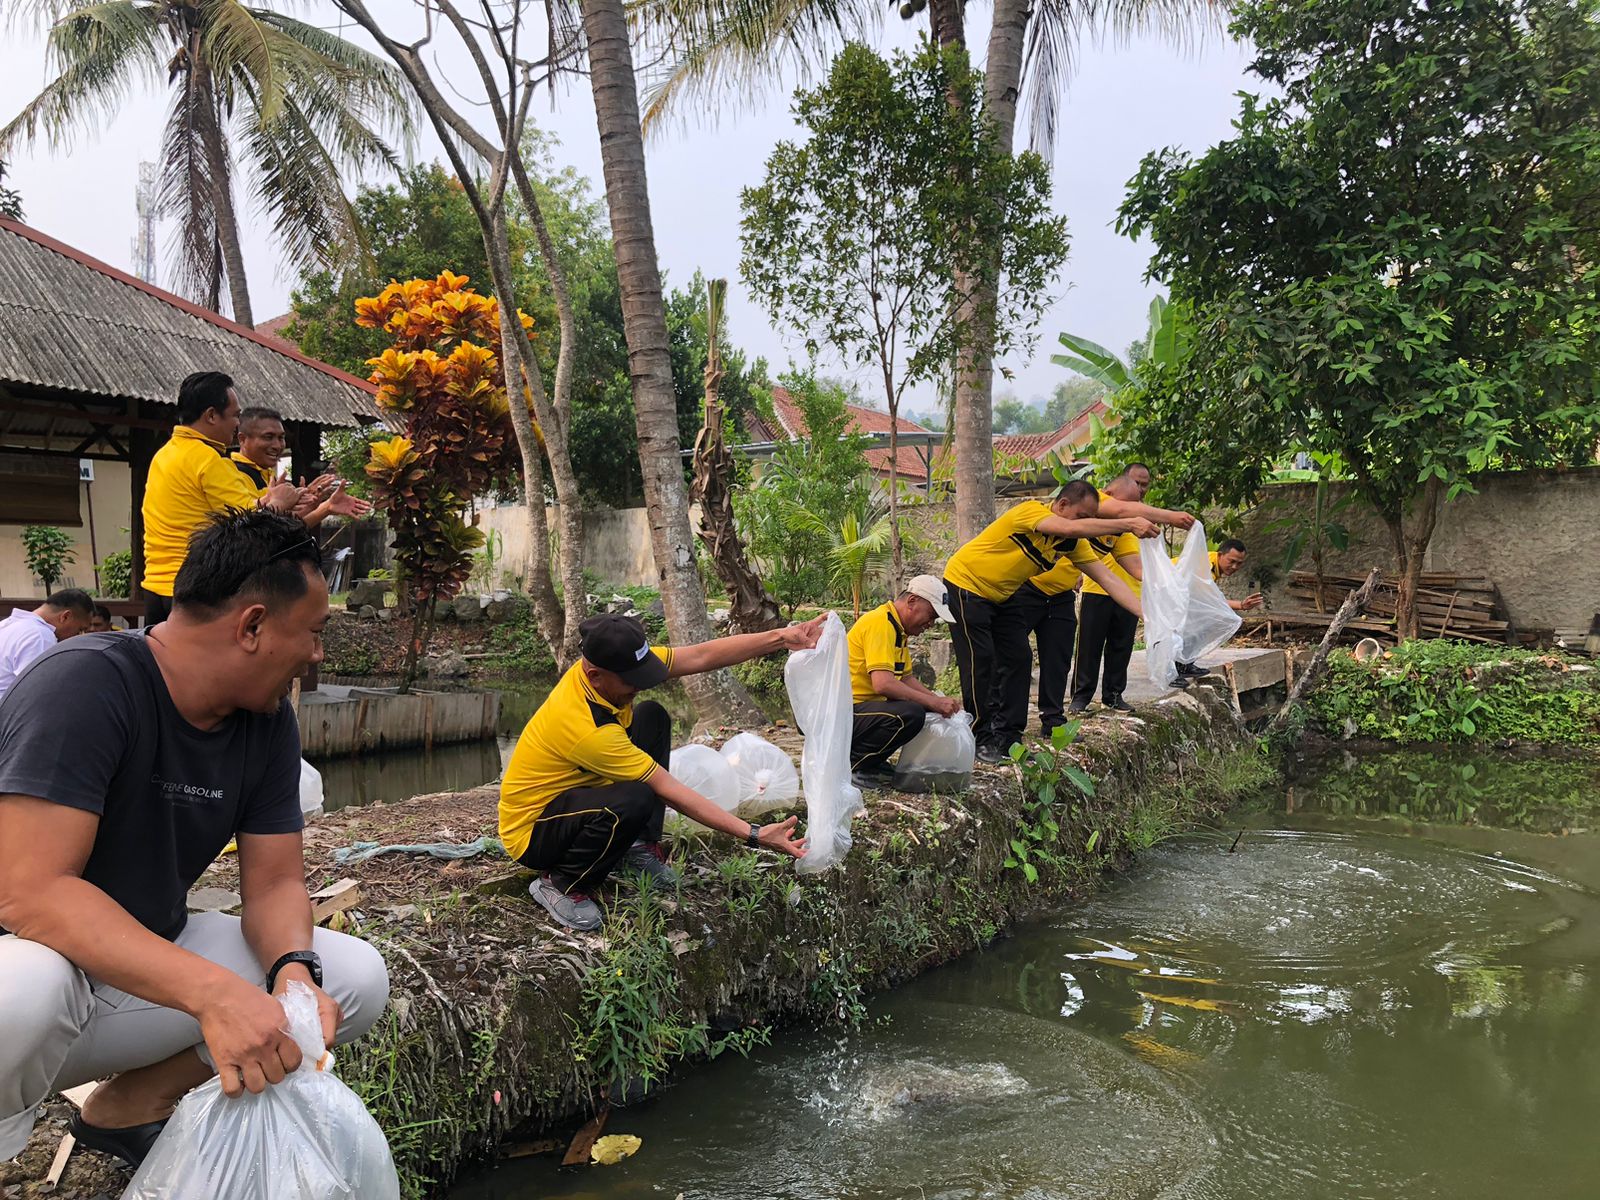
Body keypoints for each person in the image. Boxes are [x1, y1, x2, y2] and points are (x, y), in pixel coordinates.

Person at [0, 510, 389, 1168]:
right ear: (254, 625)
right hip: (27, 971)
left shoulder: (264, 721)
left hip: (137, 967)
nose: (318, 654)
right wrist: (215, 995)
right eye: (315, 632)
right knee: (29, 988)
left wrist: (292, 971)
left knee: (354, 979)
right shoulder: (87, 684)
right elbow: (30, 894)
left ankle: (128, 1106)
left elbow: (273, 882)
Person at [501, 612, 823, 931]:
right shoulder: (588, 729)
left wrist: (782, 637)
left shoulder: (611, 664)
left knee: (651, 716)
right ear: (596, 675)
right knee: (637, 796)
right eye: (632, 681)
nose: (639, 686)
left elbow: (702, 655)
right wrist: (753, 834)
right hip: (534, 832)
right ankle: (562, 884)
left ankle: (637, 848)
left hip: (574, 799)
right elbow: (668, 789)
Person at [941, 480, 1158, 762]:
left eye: (1091, 519)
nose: (1086, 525)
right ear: (1062, 505)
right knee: (980, 662)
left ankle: (1008, 739)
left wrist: (1149, 616)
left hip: (1002, 595)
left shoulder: (1072, 543)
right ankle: (981, 738)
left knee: (1019, 658)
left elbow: (1108, 579)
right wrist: (1127, 524)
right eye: (1083, 517)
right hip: (966, 585)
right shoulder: (1029, 512)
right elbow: (1068, 527)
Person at [141, 373, 300, 626]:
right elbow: (248, 523)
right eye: (235, 415)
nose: (238, 423)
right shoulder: (209, 460)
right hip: (192, 591)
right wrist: (279, 503)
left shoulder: (164, 454)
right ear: (212, 415)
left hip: (155, 587)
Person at [846, 576, 961, 790]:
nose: (930, 624)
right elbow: (883, 684)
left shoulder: (898, 630)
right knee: (910, 714)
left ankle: (873, 762)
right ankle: (855, 766)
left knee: (921, 709)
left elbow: (906, 678)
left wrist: (937, 701)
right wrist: (931, 703)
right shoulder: (880, 623)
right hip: (844, 712)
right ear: (912, 602)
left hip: (863, 711)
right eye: (931, 616)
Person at [233, 406, 373, 528]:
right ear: (242, 439)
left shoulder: (268, 475)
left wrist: (325, 507)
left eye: (281, 438)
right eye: (268, 437)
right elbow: (249, 535)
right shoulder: (232, 475)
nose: (277, 445)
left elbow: (283, 533)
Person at [1174, 537, 1264, 681]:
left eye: (1239, 563)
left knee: (1198, 624)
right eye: (1231, 561)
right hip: (1159, 594)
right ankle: (1173, 671)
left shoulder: (1211, 565)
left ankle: (1184, 664)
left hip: (1177, 597)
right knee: (1186, 628)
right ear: (1220, 555)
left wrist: (1241, 605)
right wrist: (1240, 605)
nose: (1234, 567)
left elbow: (1209, 600)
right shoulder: (1205, 567)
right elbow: (1207, 601)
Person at [0, 589, 93, 703]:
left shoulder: (6, 625)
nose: (79, 636)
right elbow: (40, 695)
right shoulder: (40, 636)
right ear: (65, 617)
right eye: (80, 630)